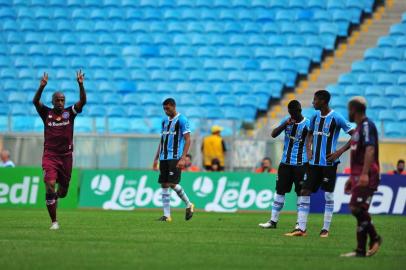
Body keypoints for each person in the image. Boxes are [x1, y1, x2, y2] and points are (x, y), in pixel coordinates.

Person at [287, 90, 354, 237]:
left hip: (329, 163)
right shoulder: (315, 116)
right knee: (304, 191)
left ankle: (325, 229)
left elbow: (355, 134)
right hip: (313, 164)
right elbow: (310, 134)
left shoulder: (336, 117)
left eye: (315, 100)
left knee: (328, 195)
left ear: (323, 101)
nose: (313, 102)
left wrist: (340, 151)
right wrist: (308, 148)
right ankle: (301, 229)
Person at [33, 71, 86, 230]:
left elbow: (83, 101)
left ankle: (54, 198)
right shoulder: (46, 113)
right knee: (49, 185)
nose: (60, 102)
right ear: (53, 101)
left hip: (66, 157)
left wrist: (81, 84)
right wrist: (41, 87)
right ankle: (54, 222)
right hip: (50, 155)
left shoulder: (70, 113)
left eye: (63, 100)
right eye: (58, 100)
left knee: (62, 192)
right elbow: (35, 101)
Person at [341, 97, 382, 257]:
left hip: (368, 174)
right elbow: (357, 155)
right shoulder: (358, 128)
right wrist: (352, 177)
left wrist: (364, 173)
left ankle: (375, 237)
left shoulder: (366, 125)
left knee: (355, 208)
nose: (348, 113)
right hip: (358, 175)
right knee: (360, 210)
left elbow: (370, 150)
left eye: (349, 109)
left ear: (354, 110)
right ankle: (360, 250)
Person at [259, 100, 310, 229]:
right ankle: (273, 221)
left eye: (294, 112)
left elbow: (311, 141)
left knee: (300, 193)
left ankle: (300, 223)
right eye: (290, 113)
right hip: (285, 164)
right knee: (279, 191)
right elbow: (273, 134)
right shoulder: (287, 122)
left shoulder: (307, 124)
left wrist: (310, 159)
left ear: (299, 111)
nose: (292, 115)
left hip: (300, 164)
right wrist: (284, 125)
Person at [152, 98, 194, 222]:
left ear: (174, 106)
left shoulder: (182, 120)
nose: (166, 111)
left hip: (175, 157)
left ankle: (188, 204)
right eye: (164, 109)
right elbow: (162, 140)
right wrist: (156, 158)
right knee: (164, 184)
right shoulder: (164, 121)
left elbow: (188, 139)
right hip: (163, 157)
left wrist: (183, 158)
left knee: (172, 183)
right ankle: (167, 215)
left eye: (168, 108)